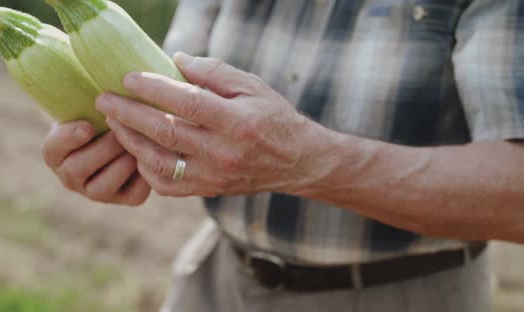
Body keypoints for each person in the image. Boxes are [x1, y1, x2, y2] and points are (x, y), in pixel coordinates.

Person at [41, 0, 524, 311]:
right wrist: (114, 142)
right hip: (215, 283)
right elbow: (167, 91)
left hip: (403, 296)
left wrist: (313, 162)